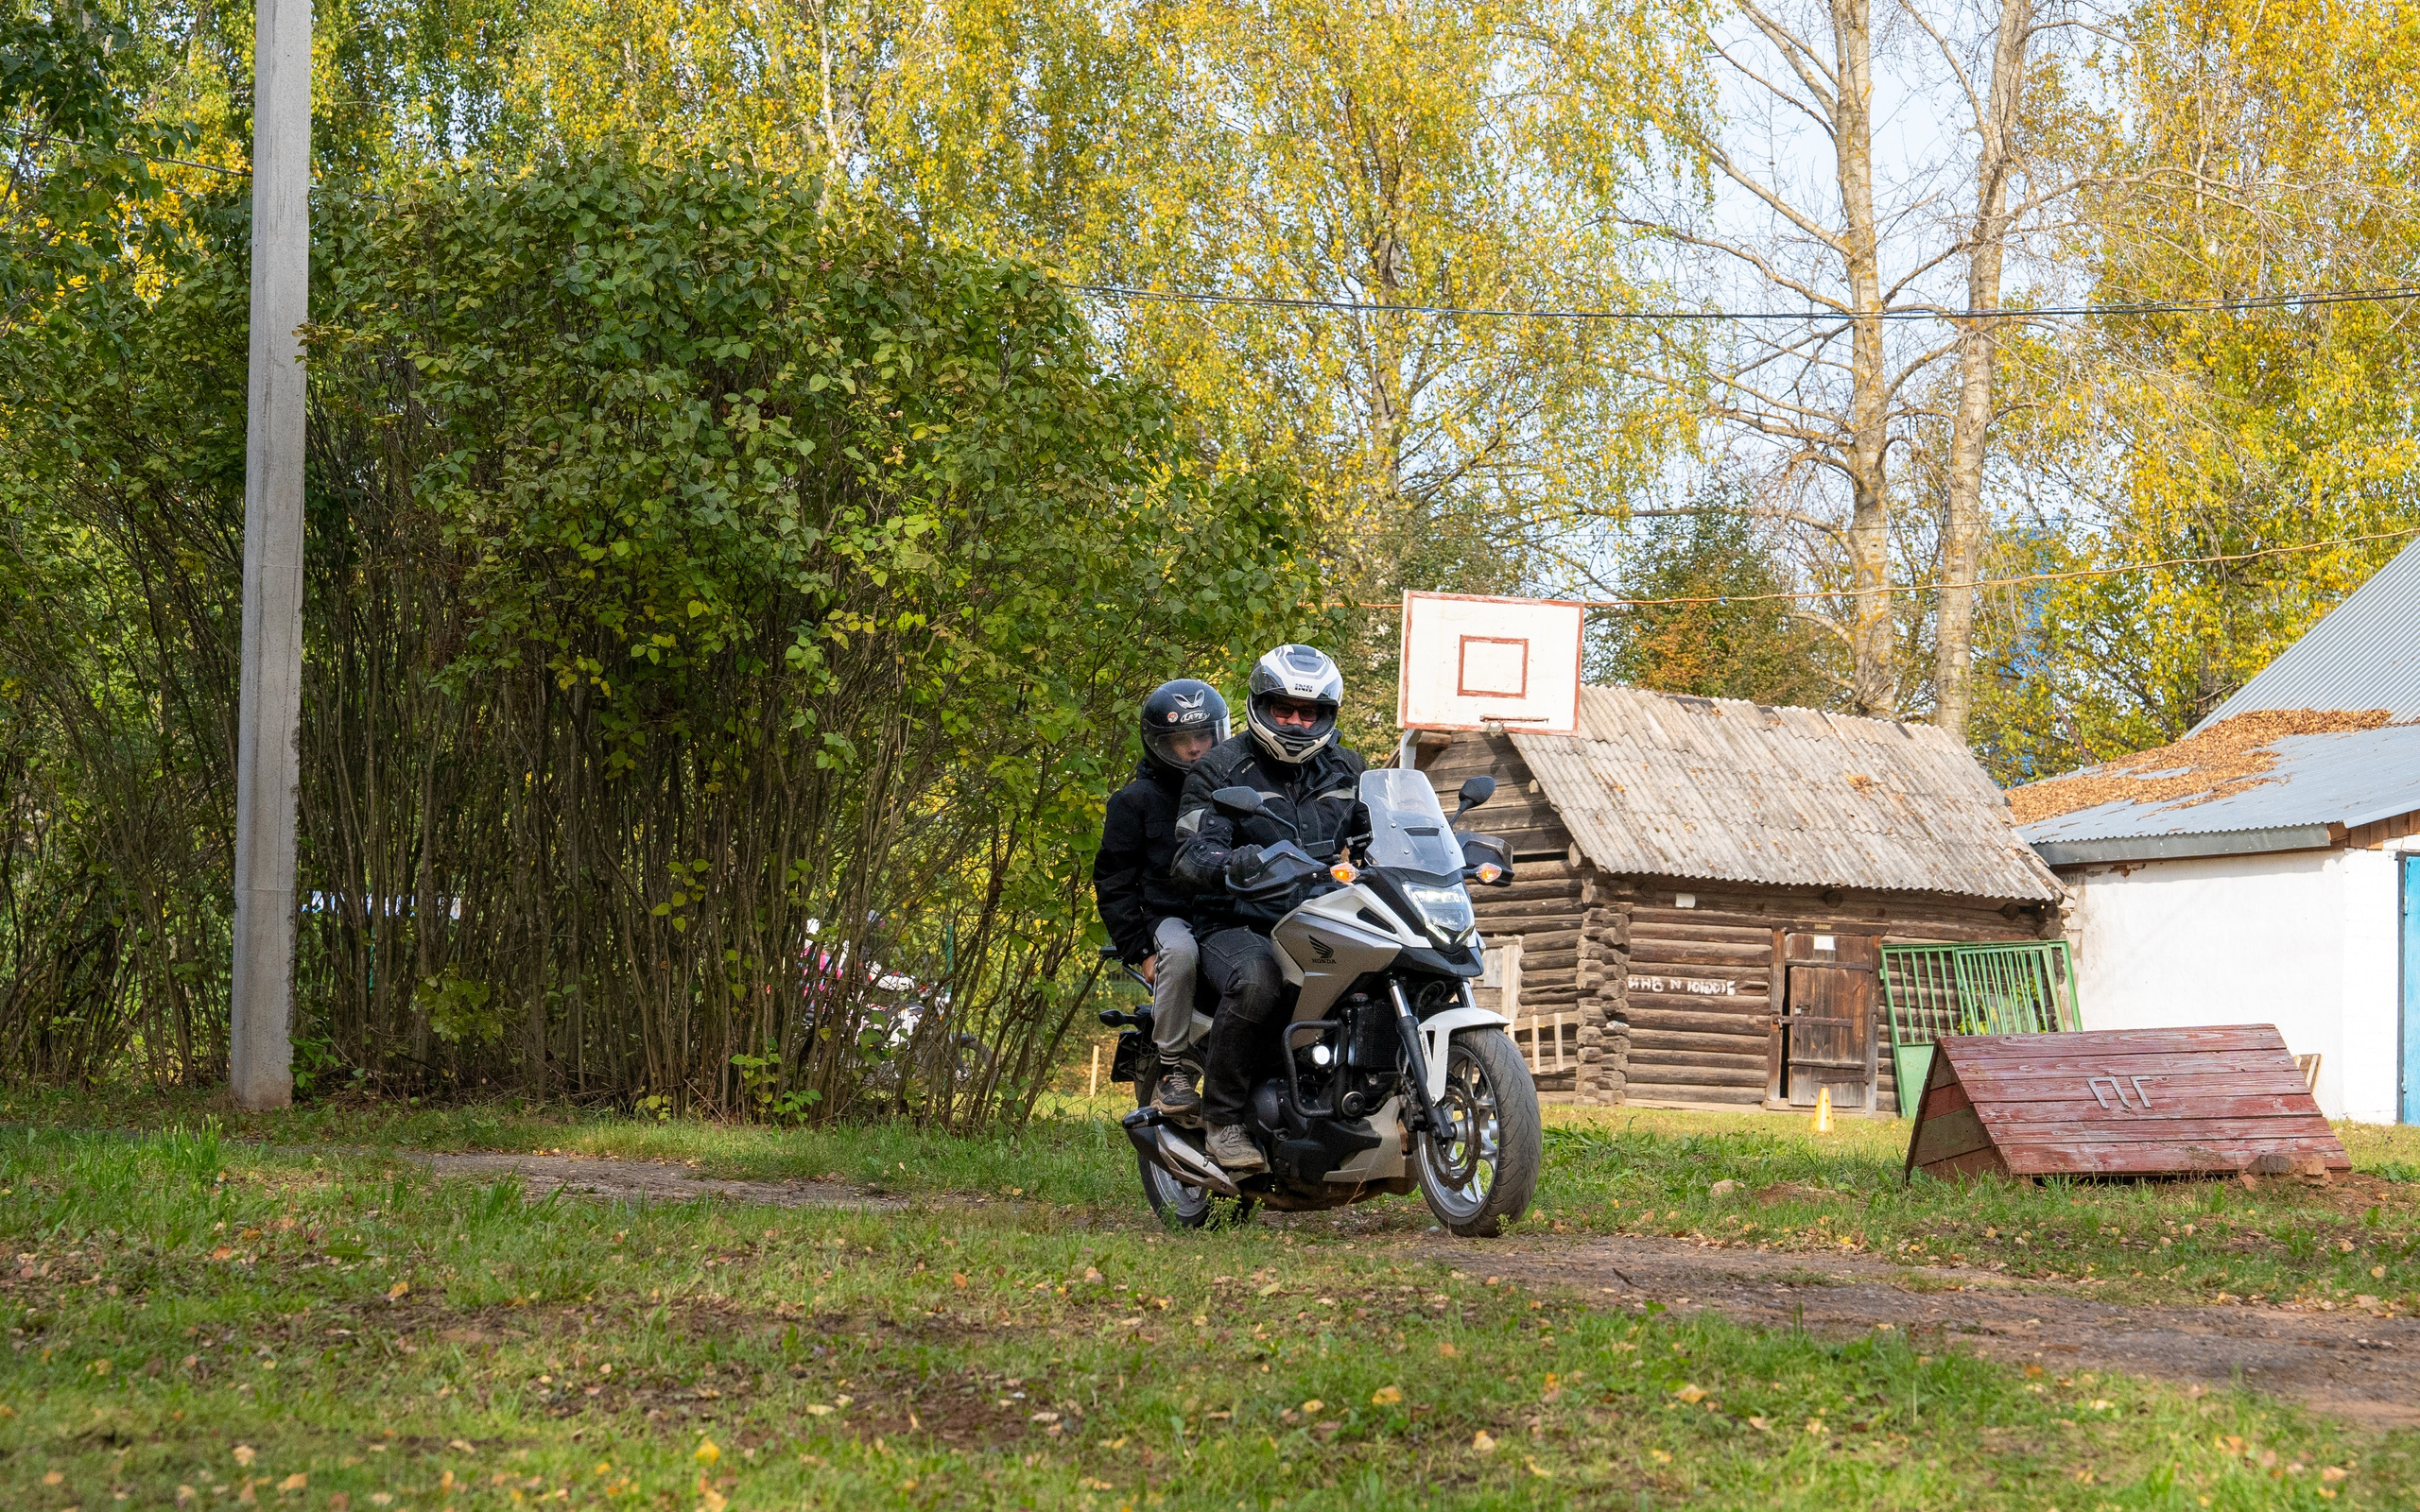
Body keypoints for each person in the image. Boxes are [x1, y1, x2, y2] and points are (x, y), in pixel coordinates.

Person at [1171, 644, 1366, 1172]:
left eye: (1311, 713)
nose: (1299, 722)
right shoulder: (1220, 768)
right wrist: (1234, 863)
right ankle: (1224, 1119)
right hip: (1236, 921)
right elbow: (1191, 853)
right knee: (1258, 978)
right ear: (1261, 705)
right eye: (1285, 710)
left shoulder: (1348, 768)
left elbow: (1381, 835)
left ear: (1328, 715)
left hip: (1322, 916)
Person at [1093, 679, 1231, 1125]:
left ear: (1220, 734)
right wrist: (1141, 950)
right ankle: (1174, 1068)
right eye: (1180, 740)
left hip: (1233, 914)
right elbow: (1113, 882)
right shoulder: (1133, 802)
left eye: (1202, 737)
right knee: (1181, 952)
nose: (1193, 749)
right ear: (1158, 742)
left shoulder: (1233, 793)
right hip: (1171, 919)